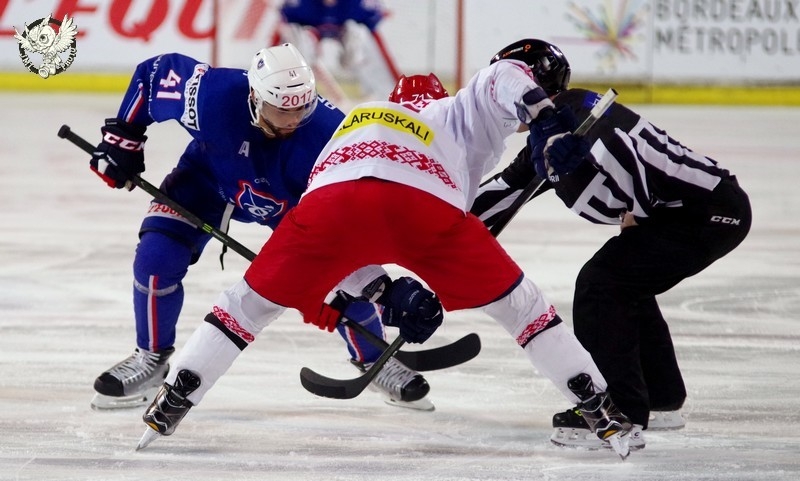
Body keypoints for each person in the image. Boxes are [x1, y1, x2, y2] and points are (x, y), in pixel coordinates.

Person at [136, 42, 634, 456]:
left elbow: (341, 225)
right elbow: (505, 74)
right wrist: (544, 121)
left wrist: (386, 292)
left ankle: (175, 397)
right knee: (525, 311)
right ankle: (599, 407)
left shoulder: (353, 119)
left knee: (245, 307)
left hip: (330, 203)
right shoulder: (455, 108)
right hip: (425, 207)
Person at [87, 43, 433, 412]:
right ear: (254, 97)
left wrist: (378, 286)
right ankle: (150, 357)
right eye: (280, 110)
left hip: (291, 207)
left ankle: (373, 356)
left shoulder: (329, 136)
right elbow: (155, 73)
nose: (292, 120)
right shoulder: (212, 96)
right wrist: (123, 140)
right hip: (206, 179)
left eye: (302, 107)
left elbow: (343, 226)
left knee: (335, 276)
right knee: (156, 260)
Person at [471, 39, 752, 450]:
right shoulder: (550, 131)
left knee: (603, 284)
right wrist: (449, 221)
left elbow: (623, 152)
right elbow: (508, 188)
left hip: (708, 211)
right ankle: (661, 398)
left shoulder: (579, 115)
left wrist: (640, 211)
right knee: (623, 283)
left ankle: (622, 410)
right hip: (695, 209)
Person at [273, 0, 401, 103]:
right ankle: (291, 91)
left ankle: (382, 95)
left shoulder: (360, 4)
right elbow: (282, 31)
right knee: (297, 36)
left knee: (359, 33)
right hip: (310, 35)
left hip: (348, 35)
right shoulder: (298, 4)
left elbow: (374, 35)